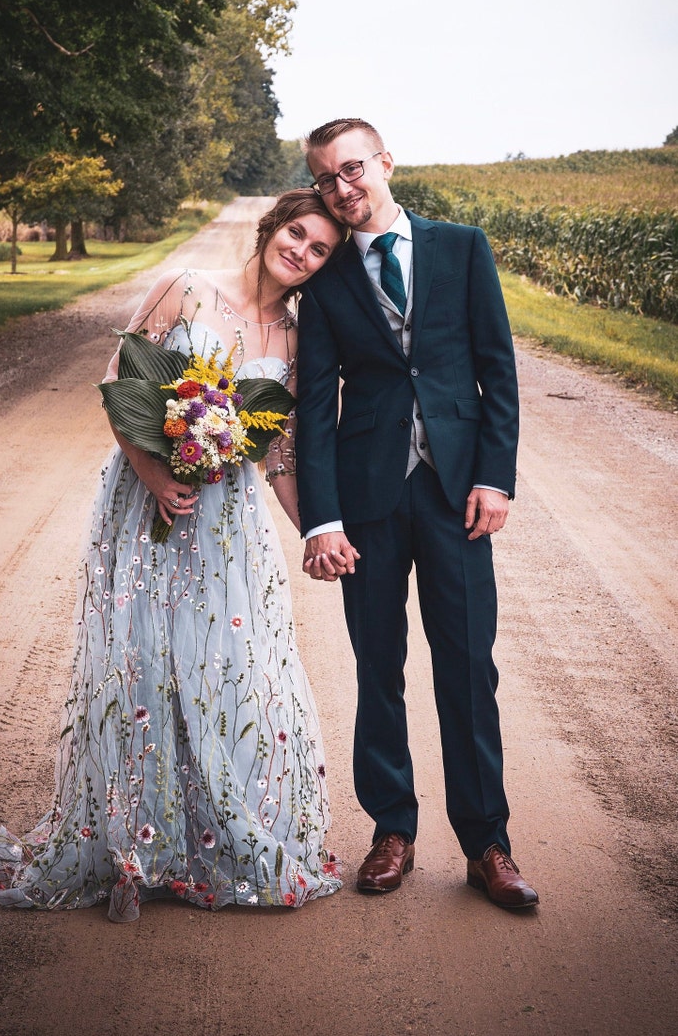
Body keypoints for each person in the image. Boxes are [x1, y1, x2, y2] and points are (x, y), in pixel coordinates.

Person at [0, 189, 347, 922]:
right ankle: (136, 841)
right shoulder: (187, 288)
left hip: (226, 524)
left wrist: (315, 531)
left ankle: (212, 839)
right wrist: (154, 474)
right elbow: (118, 382)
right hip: (143, 505)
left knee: (223, 666)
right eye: (296, 232)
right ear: (273, 226)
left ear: (324, 265)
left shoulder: (294, 339)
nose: (301, 250)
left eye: (320, 248)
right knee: (141, 659)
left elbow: (277, 457)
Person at [294, 119, 538, 909]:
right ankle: (391, 828)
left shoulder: (462, 247)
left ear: (385, 163)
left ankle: (487, 842)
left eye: (352, 169)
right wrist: (321, 518)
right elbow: (314, 408)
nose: (342, 188)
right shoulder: (325, 280)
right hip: (368, 500)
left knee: (468, 667)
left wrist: (495, 477)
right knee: (379, 667)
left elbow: (497, 371)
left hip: (456, 493)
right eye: (327, 179)